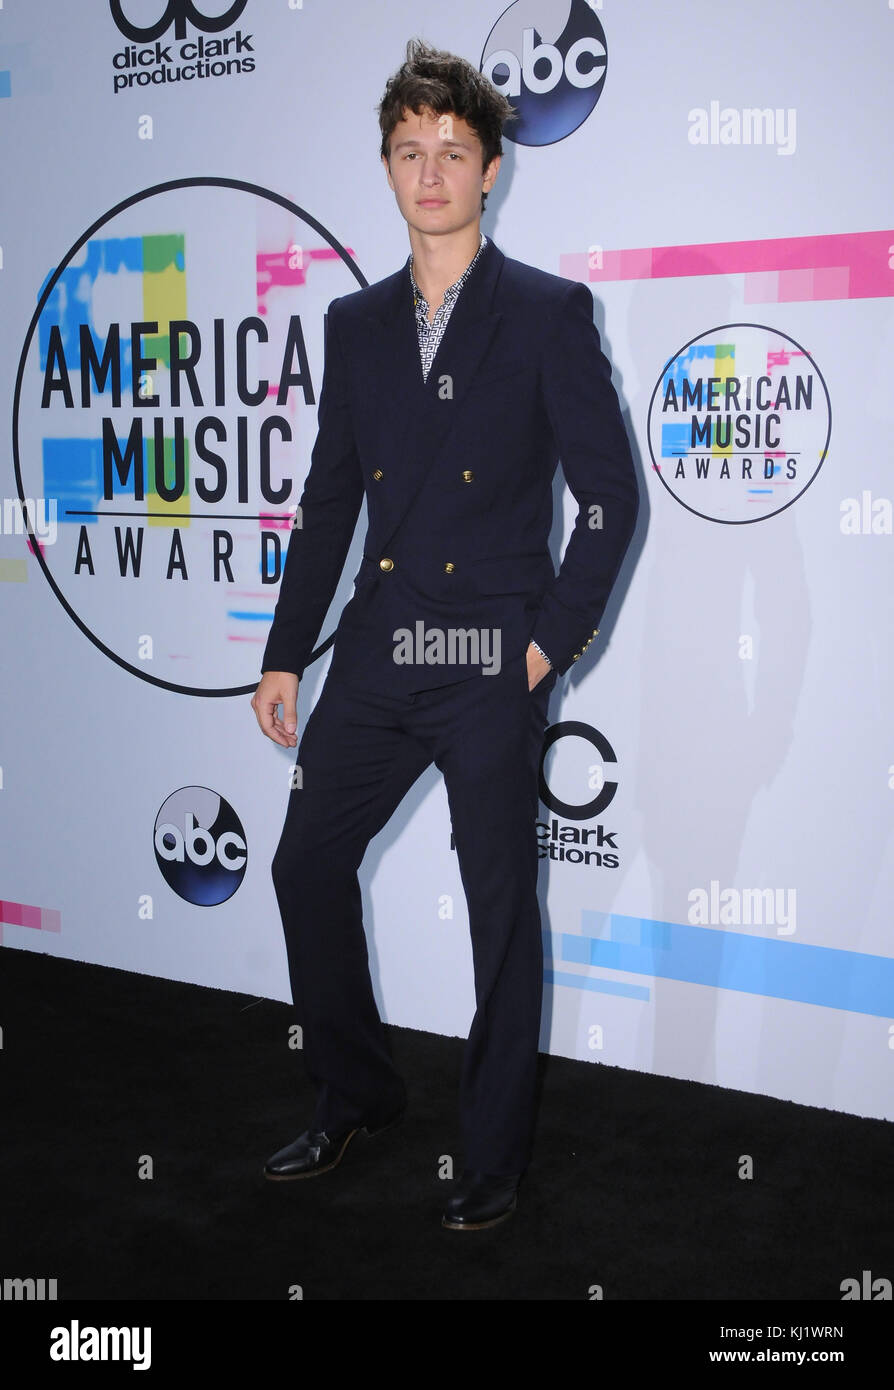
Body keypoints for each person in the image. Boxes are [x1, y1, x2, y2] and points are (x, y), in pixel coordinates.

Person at [251, 38, 639, 1230]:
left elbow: (611, 499)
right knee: (303, 863)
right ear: (387, 166)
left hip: (489, 658)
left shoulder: (547, 313)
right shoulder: (355, 325)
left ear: (488, 172)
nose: (431, 171)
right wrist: (283, 650)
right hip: (378, 650)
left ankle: (493, 1150)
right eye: (410, 150)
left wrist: (545, 646)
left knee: (497, 909)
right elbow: (329, 502)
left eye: (452, 151)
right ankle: (357, 1087)